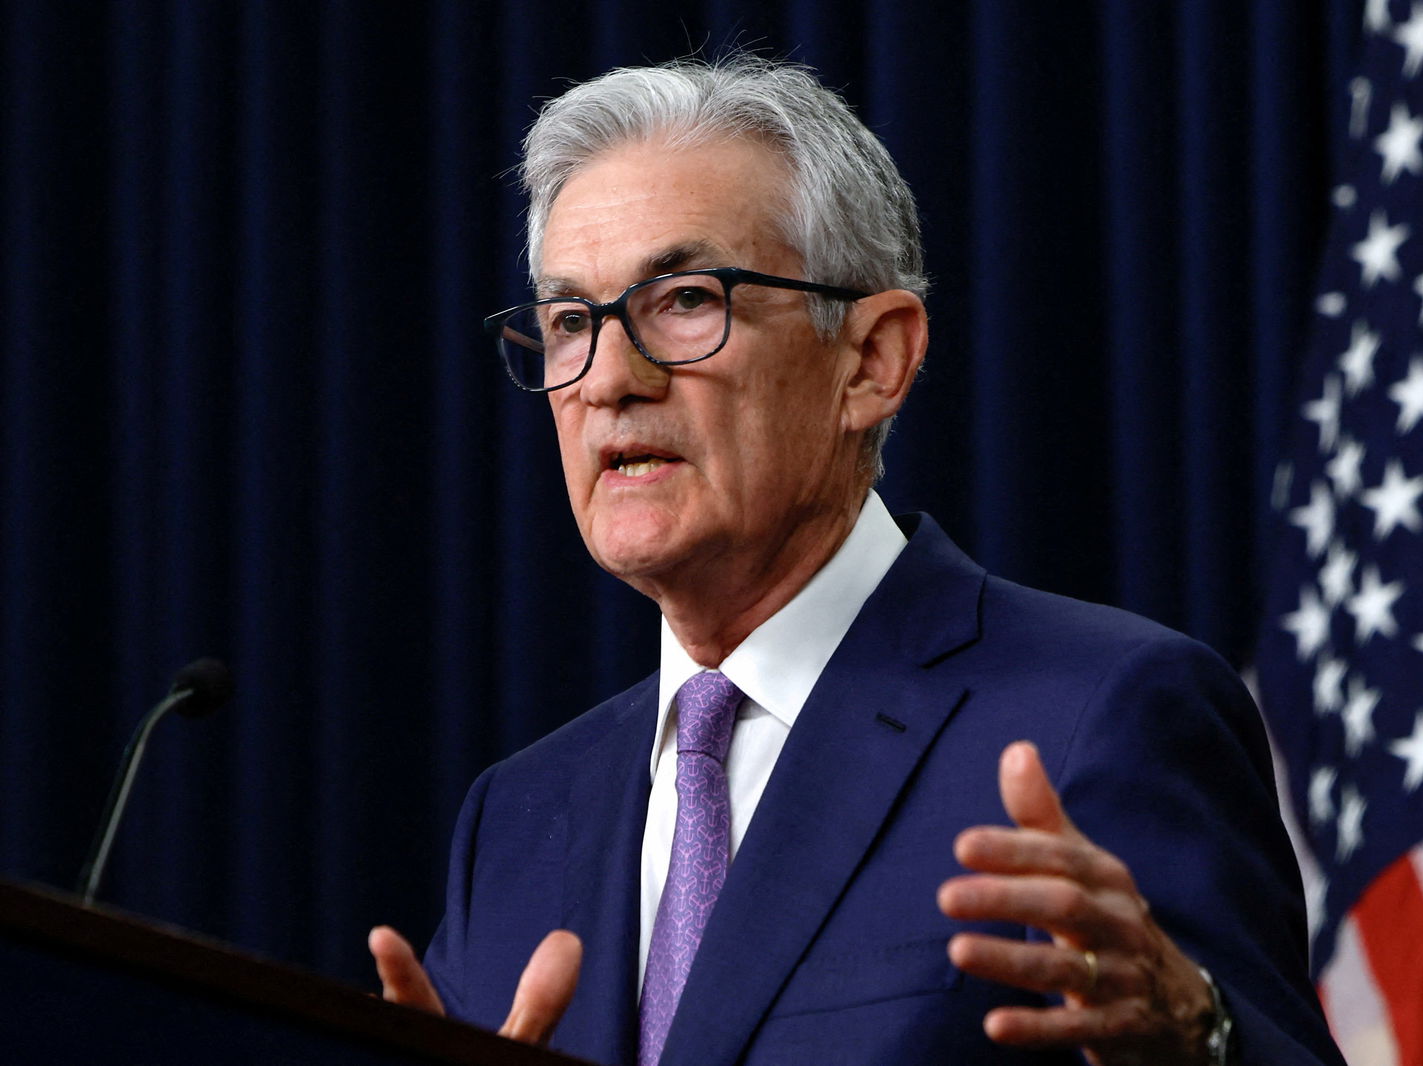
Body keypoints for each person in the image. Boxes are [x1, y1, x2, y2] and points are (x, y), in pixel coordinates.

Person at [370, 55, 1345, 1066]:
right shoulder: (520, 818)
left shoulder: (1098, 716)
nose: (609, 378)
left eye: (687, 300)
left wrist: (1201, 1036)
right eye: (572, 321)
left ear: (871, 361)